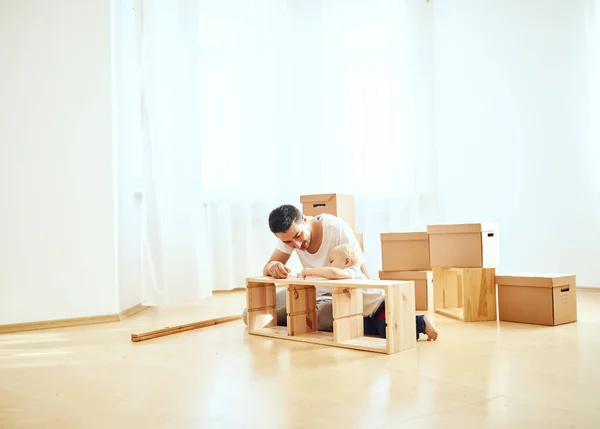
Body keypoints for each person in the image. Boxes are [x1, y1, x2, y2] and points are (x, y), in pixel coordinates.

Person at [241, 204, 438, 341]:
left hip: (340, 293)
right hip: (312, 293)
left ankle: (314, 317)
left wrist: (369, 300)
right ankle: (305, 316)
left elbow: (360, 271)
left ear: (304, 219)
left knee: (326, 316)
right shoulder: (288, 235)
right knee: (249, 315)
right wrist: (272, 267)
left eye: (298, 236)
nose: (297, 245)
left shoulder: (336, 229)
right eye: (288, 242)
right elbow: (269, 266)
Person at [301, 242, 438, 341]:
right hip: (368, 311)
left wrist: (310, 271)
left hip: (379, 306)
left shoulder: (353, 271)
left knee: (387, 331)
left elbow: (334, 272)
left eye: (331, 261)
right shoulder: (347, 274)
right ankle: (412, 328)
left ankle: (420, 322)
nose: (329, 265)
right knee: (367, 329)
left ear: (347, 261)